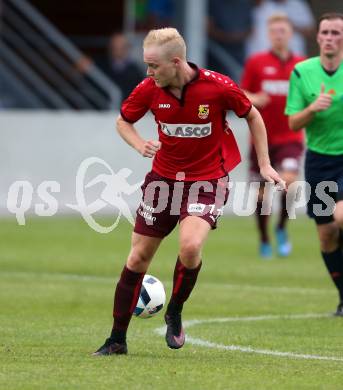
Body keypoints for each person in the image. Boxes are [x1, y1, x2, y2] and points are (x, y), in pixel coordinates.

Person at [93, 27, 285, 356]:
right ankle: (116, 340)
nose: (148, 72)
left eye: (154, 66)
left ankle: (175, 311)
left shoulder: (218, 86)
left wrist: (265, 165)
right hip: (162, 181)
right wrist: (140, 144)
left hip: (207, 180)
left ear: (176, 62)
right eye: (146, 65)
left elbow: (253, 115)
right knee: (138, 258)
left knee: (191, 246)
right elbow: (123, 121)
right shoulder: (148, 89)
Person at [285, 13, 343, 315]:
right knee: (327, 234)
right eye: (326, 32)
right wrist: (313, 108)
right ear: (318, 37)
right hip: (319, 162)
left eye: (336, 32)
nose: (330, 37)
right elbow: (294, 122)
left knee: (341, 216)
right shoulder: (301, 72)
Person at [241, 13, 305, 258]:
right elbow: (240, 92)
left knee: (288, 183)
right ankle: (265, 238)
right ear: (268, 35)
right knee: (261, 194)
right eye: (275, 31)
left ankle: (281, 228)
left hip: (291, 137)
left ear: (290, 34)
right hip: (261, 140)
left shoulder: (301, 65)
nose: (279, 35)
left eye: (283, 31)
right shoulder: (256, 63)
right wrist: (254, 97)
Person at [246, 0, 315, 57]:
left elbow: (311, 32)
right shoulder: (262, 6)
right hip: (266, 56)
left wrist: (290, 25)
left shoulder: (298, 4)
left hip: (294, 55)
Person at [96, 33, 145, 103]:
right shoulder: (101, 64)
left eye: (121, 47)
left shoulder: (135, 70)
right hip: (104, 107)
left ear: (127, 48)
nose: (118, 49)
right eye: (115, 46)